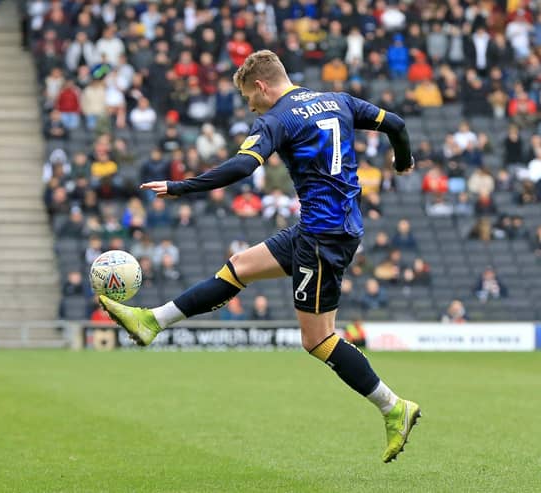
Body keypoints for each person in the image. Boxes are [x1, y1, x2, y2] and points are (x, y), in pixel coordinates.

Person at [99, 50, 420, 462]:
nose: (250, 106)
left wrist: (181, 187)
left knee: (318, 339)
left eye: (249, 97)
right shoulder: (339, 100)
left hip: (323, 235)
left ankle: (393, 407)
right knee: (240, 267)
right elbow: (395, 123)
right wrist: (403, 160)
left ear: (262, 86)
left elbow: (240, 167)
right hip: (326, 227)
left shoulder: (278, 118)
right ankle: (152, 321)